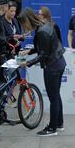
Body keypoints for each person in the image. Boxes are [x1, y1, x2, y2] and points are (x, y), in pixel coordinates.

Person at [17, 8, 66, 136]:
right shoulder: (45, 26)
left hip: (53, 66)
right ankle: (59, 123)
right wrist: (29, 51)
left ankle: (52, 128)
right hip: (58, 63)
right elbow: (45, 47)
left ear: (28, 20)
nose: (24, 27)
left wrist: (27, 63)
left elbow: (44, 54)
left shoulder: (42, 31)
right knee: (56, 95)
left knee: (53, 97)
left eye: (24, 24)